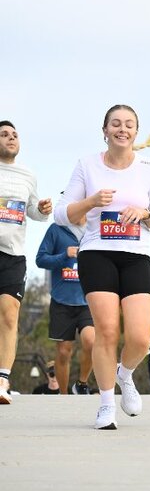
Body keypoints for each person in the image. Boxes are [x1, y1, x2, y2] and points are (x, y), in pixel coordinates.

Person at [55, 104, 150, 429]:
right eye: (115, 124)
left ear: (135, 132)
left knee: (140, 336)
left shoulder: (149, 167)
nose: (122, 129)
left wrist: (145, 214)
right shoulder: (87, 165)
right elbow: (62, 213)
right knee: (106, 330)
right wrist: (91, 202)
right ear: (104, 130)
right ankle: (106, 404)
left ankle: (126, 373)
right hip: (97, 253)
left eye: (129, 124)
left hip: (135, 255)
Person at [0, 120, 53, 403]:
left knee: (10, 313)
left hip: (13, 254)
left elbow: (33, 211)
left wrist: (42, 209)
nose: (11, 138)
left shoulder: (27, 174)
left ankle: (2, 380)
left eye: (14, 135)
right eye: (4, 134)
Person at [35, 221, 94, 395]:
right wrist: (64, 255)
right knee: (63, 352)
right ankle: (64, 394)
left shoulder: (94, 227)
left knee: (91, 342)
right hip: (61, 301)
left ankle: (82, 384)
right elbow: (40, 259)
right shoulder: (56, 229)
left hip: (88, 300)